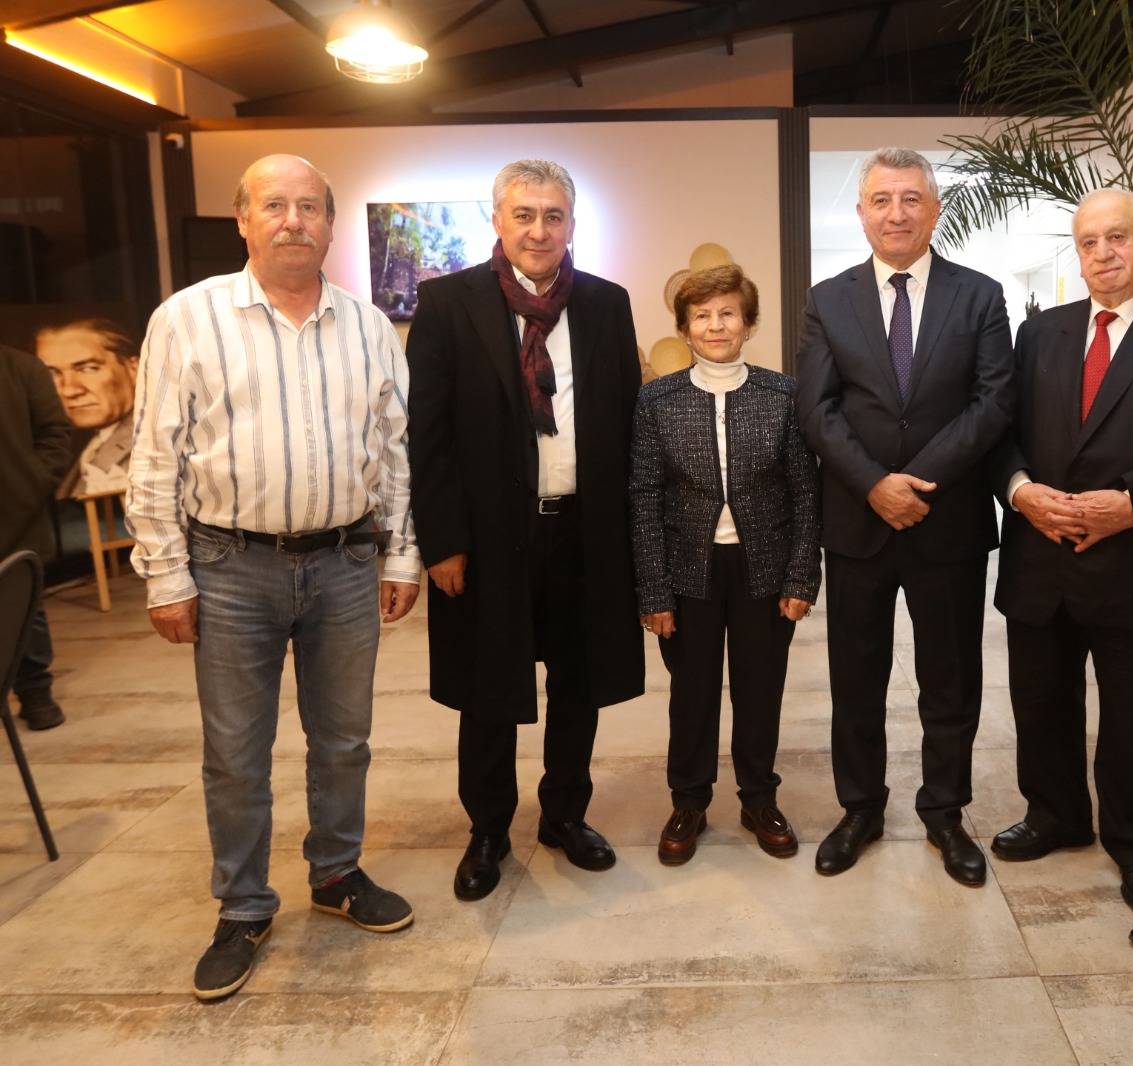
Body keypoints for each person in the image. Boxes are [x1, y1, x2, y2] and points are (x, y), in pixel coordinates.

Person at [125, 154, 421, 1002]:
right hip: (228, 568)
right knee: (234, 754)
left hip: (345, 563)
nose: (294, 220)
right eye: (275, 205)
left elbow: (394, 452)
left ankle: (336, 874)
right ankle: (244, 906)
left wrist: (400, 552)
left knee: (344, 739)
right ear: (243, 220)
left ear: (330, 223)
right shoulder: (187, 319)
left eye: (309, 207)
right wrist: (166, 576)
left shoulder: (368, 327)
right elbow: (155, 455)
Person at [406, 159, 644, 902]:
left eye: (553, 216)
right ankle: (487, 830)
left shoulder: (606, 304)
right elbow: (428, 436)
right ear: (498, 220)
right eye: (524, 215)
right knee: (489, 688)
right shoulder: (448, 303)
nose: (539, 230)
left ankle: (565, 815)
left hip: (584, 530)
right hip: (487, 541)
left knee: (580, 683)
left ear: (571, 224)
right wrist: (442, 541)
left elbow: (627, 424)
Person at [795, 147, 1013, 886]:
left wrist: (917, 483)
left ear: (935, 210)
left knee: (950, 678)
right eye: (882, 200)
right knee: (856, 678)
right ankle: (859, 809)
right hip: (858, 523)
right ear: (861, 214)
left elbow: (993, 402)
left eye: (911, 199)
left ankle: (945, 812)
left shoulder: (979, 296)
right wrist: (874, 485)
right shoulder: (828, 300)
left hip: (947, 522)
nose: (897, 213)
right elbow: (817, 409)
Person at [990, 188, 1133, 915]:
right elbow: (999, 431)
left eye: (1117, 238)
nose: (1103, 254)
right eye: (1088, 242)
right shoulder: (1039, 333)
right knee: (1040, 700)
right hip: (1041, 553)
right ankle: (1055, 814)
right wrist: (1020, 490)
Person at [629, 265, 821, 865]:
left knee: (760, 689)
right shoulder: (657, 399)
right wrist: (653, 591)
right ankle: (689, 801)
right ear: (685, 328)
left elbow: (805, 492)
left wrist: (801, 576)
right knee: (692, 693)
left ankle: (759, 797)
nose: (716, 326)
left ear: (749, 323)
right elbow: (644, 496)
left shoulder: (782, 395)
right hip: (688, 572)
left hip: (764, 570)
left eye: (728, 313)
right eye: (702, 316)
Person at [0, 341, 75, 730]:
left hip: (17, 516)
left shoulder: (22, 368)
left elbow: (55, 434)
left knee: (25, 610)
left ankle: (36, 695)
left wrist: (29, 485)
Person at [34, 319, 139, 496]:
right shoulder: (83, 445)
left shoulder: (155, 442)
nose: (69, 390)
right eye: (51, 374)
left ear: (133, 369)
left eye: (88, 369)